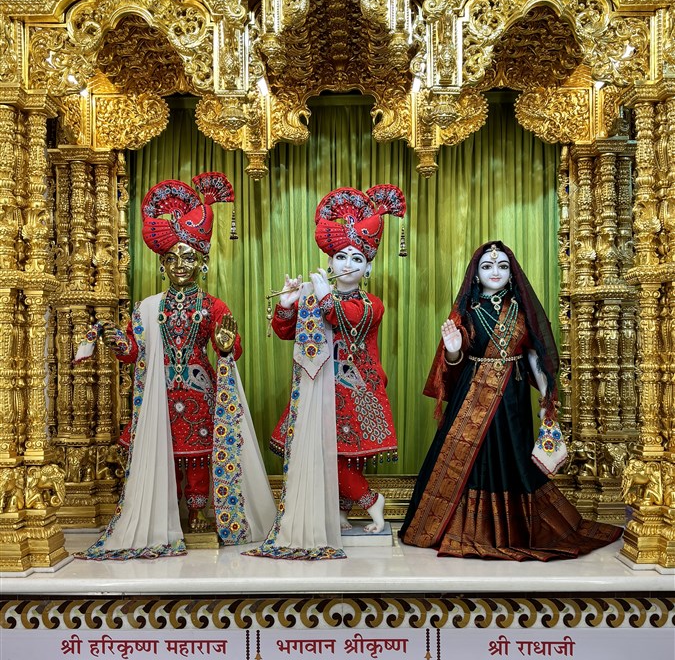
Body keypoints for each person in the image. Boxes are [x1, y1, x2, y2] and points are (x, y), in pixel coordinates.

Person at [75, 172, 275, 560]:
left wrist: (227, 345)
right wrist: (114, 338)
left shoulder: (213, 305)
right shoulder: (147, 308)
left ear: (202, 262)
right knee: (166, 455)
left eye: (188, 258)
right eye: (172, 258)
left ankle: (197, 513)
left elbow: (231, 352)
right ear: (163, 263)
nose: (180, 265)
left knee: (198, 455)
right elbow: (133, 352)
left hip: (200, 393)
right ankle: (167, 514)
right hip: (160, 394)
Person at [400, 241, 619, 561]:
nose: (495, 272)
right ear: (476, 274)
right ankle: (464, 529)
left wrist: (546, 396)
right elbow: (454, 365)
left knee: (513, 456)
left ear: (512, 273)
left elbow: (533, 356)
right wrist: (453, 349)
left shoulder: (521, 310)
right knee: (472, 460)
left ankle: (513, 530)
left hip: (512, 398)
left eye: (502, 266)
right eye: (487, 266)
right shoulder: (466, 311)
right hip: (472, 396)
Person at [247, 185, 405, 560]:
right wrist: (289, 304)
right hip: (318, 388)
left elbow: (345, 318)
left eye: (356, 258)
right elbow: (286, 332)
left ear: (368, 267)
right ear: (330, 263)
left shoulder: (371, 304)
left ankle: (373, 502)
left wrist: (321, 297)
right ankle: (340, 514)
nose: (347, 264)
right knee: (326, 454)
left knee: (337, 456)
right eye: (340, 257)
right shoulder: (317, 295)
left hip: (355, 393)